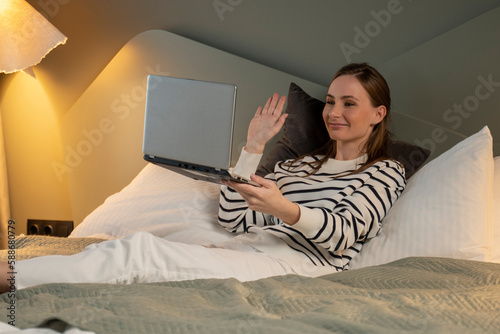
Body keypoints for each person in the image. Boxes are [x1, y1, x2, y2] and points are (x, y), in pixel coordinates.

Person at [0, 63, 405, 293]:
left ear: (377, 114)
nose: (334, 112)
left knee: (142, 253)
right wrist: (253, 148)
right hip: (247, 250)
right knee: (132, 246)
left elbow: (343, 234)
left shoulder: (385, 171)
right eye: (331, 101)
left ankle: (11, 278)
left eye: (349, 104)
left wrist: (285, 209)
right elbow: (234, 219)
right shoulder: (296, 167)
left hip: (300, 270)